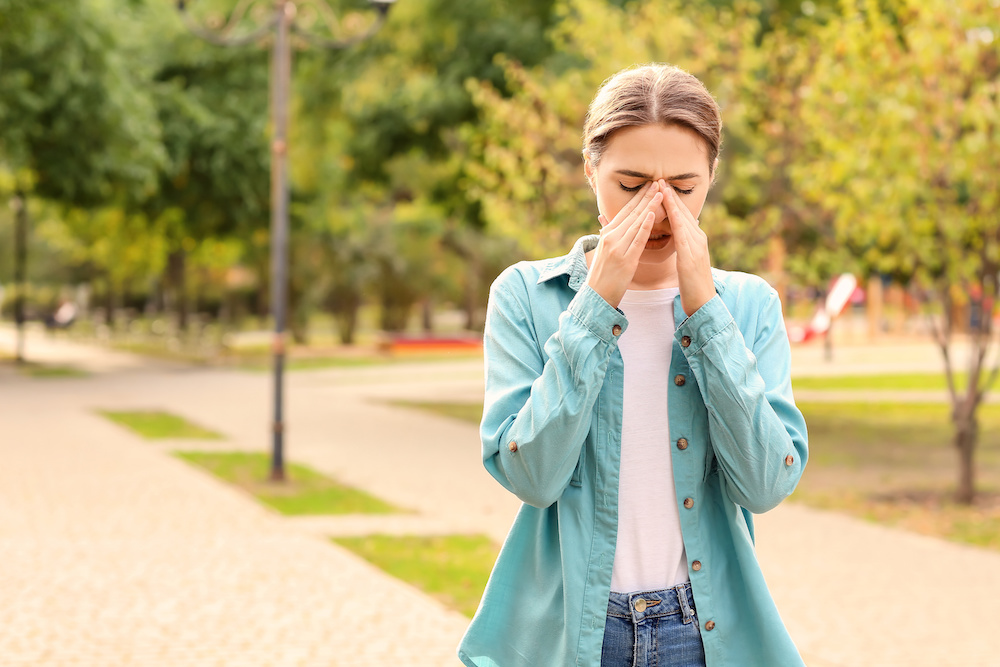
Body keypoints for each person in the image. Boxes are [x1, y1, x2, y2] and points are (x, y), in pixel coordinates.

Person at [457, 63, 808, 667]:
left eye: (683, 185)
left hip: (703, 633)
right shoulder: (525, 295)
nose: (660, 208)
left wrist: (706, 313)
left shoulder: (749, 306)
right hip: (571, 633)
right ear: (590, 171)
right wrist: (596, 306)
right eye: (631, 182)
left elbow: (767, 484)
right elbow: (532, 478)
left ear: (712, 179)